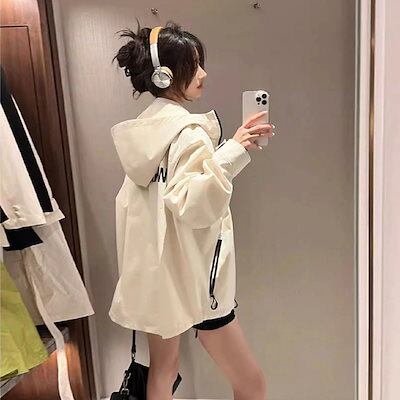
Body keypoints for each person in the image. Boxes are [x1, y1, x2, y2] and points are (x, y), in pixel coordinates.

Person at [110, 19, 275, 400]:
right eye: (193, 65)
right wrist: (235, 150)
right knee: (252, 384)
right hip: (200, 282)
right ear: (166, 76)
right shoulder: (187, 132)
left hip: (157, 278)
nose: (203, 74)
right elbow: (194, 205)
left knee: (163, 373)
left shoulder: (144, 133)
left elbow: (166, 196)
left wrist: (227, 151)